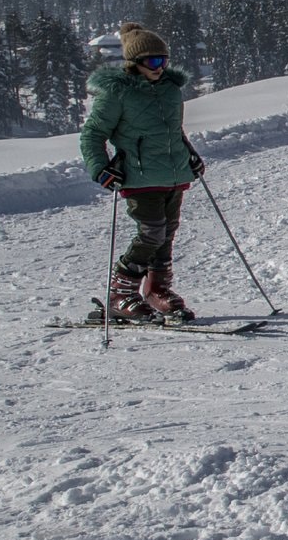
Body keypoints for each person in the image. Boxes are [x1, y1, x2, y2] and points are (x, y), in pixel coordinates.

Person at [79, 22, 205, 322]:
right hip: (138, 176)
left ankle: (157, 290)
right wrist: (100, 168)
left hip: (173, 174)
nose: (159, 67)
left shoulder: (170, 92)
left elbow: (174, 132)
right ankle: (121, 293)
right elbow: (92, 134)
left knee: (166, 234)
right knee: (151, 233)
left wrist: (191, 157)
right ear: (134, 63)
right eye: (152, 61)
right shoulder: (117, 93)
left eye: (163, 60)